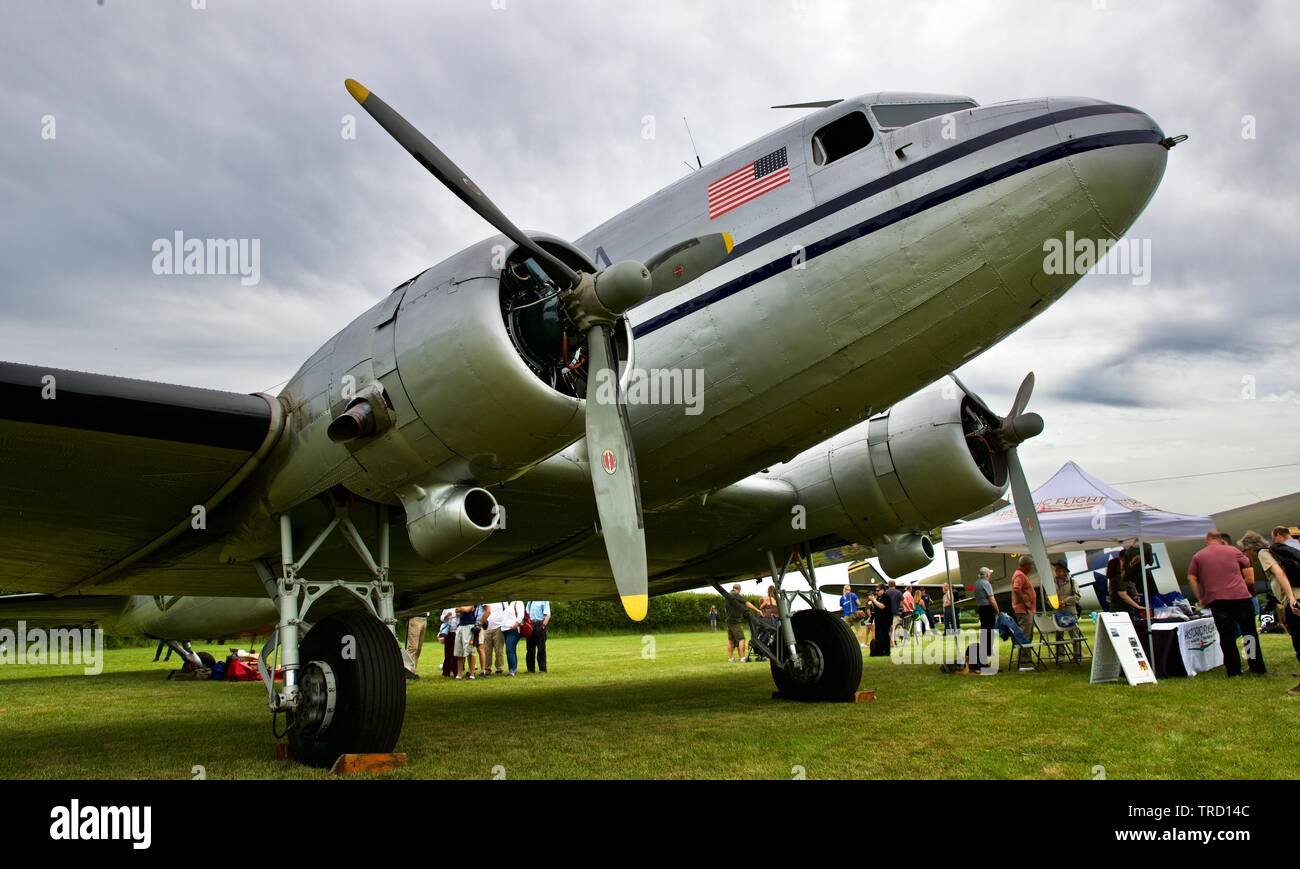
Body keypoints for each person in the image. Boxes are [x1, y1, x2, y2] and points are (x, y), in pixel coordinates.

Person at [1188, 530, 1265, 677]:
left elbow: (1191, 578)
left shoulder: (1198, 556)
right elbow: (1248, 567)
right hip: (1241, 597)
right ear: (1221, 540)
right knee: (1249, 633)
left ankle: (1233, 670)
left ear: (1207, 540)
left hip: (1218, 600)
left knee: (1226, 636)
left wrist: (1200, 598)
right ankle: (1256, 666)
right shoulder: (1233, 551)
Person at [1248, 531, 1300, 693]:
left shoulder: (1264, 553)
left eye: (1245, 552)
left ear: (1250, 548)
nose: (1247, 556)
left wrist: (1291, 599)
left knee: (1299, 640)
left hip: (1296, 600)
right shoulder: (1277, 551)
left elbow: (1280, 573)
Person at [1051, 560, 1083, 661]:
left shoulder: (1073, 582)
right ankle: (1060, 656)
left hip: (1070, 612)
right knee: (1059, 635)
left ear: (1065, 570)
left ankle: (1077, 655)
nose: (1057, 572)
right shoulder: (1052, 583)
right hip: (1058, 612)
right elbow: (1048, 597)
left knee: (1074, 634)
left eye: (1059, 570)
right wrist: (1055, 603)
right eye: (1056, 570)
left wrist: (1065, 601)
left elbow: (1077, 596)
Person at [974, 566, 999, 671]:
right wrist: (997, 610)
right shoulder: (986, 583)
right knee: (989, 631)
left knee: (984, 631)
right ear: (987, 575)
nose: (991, 575)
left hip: (981, 609)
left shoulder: (976, 583)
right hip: (988, 609)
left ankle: (984, 655)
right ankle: (987, 652)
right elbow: (991, 599)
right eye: (990, 574)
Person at [1011, 556, 1037, 643]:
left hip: (1026, 610)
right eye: (1031, 565)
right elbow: (1016, 589)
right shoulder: (1019, 575)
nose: (1031, 567)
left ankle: (1026, 656)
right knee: (1025, 637)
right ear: (1026, 565)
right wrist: (1025, 602)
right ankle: (1023, 657)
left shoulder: (1021, 574)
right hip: (1024, 610)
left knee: (1027, 637)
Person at [723, 584, 751, 662]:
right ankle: (742, 658)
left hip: (728, 621)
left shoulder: (727, 596)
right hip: (735, 621)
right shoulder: (735, 594)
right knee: (741, 639)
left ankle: (730, 658)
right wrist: (757, 610)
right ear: (739, 589)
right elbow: (746, 602)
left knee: (731, 640)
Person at [498, 600, 526, 676]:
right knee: (512, 650)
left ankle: (512, 671)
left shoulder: (519, 602)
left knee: (509, 649)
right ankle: (514, 669)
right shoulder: (508, 604)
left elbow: (521, 615)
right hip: (505, 630)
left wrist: (515, 625)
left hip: (513, 630)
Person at [525, 600, 551, 673]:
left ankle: (542, 669)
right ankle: (530, 669)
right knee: (530, 649)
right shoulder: (530, 601)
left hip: (540, 625)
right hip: (530, 626)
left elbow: (548, 615)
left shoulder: (544, 601)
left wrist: (543, 626)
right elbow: (527, 614)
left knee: (541, 648)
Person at [454, 605, 478, 680]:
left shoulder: (472, 599)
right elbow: (456, 611)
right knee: (459, 651)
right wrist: (462, 609)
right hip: (460, 626)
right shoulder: (463, 602)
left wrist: (461, 609)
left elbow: (468, 609)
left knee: (470, 650)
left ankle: (472, 674)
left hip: (470, 626)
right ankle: (459, 674)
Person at [483, 603, 507, 675]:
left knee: (499, 650)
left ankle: (499, 668)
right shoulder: (486, 599)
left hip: (498, 627)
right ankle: (487, 669)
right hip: (486, 628)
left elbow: (507, 611)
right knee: (487, 650)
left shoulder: (503, 601)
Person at [404, 612, 429, 677]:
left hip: (424, 618)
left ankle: (413, 671)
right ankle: (409, 672)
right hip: (415, 618)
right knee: (413, 648)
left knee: (418, 649)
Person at [439, 608, 458, 677]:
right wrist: (446, 616)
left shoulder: (458, 608)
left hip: (457, 632)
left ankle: (455, 671)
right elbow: (441, 618)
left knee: (455, 653)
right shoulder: (446, 609)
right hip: (448, 633)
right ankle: (446, 671)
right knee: (447, 652)